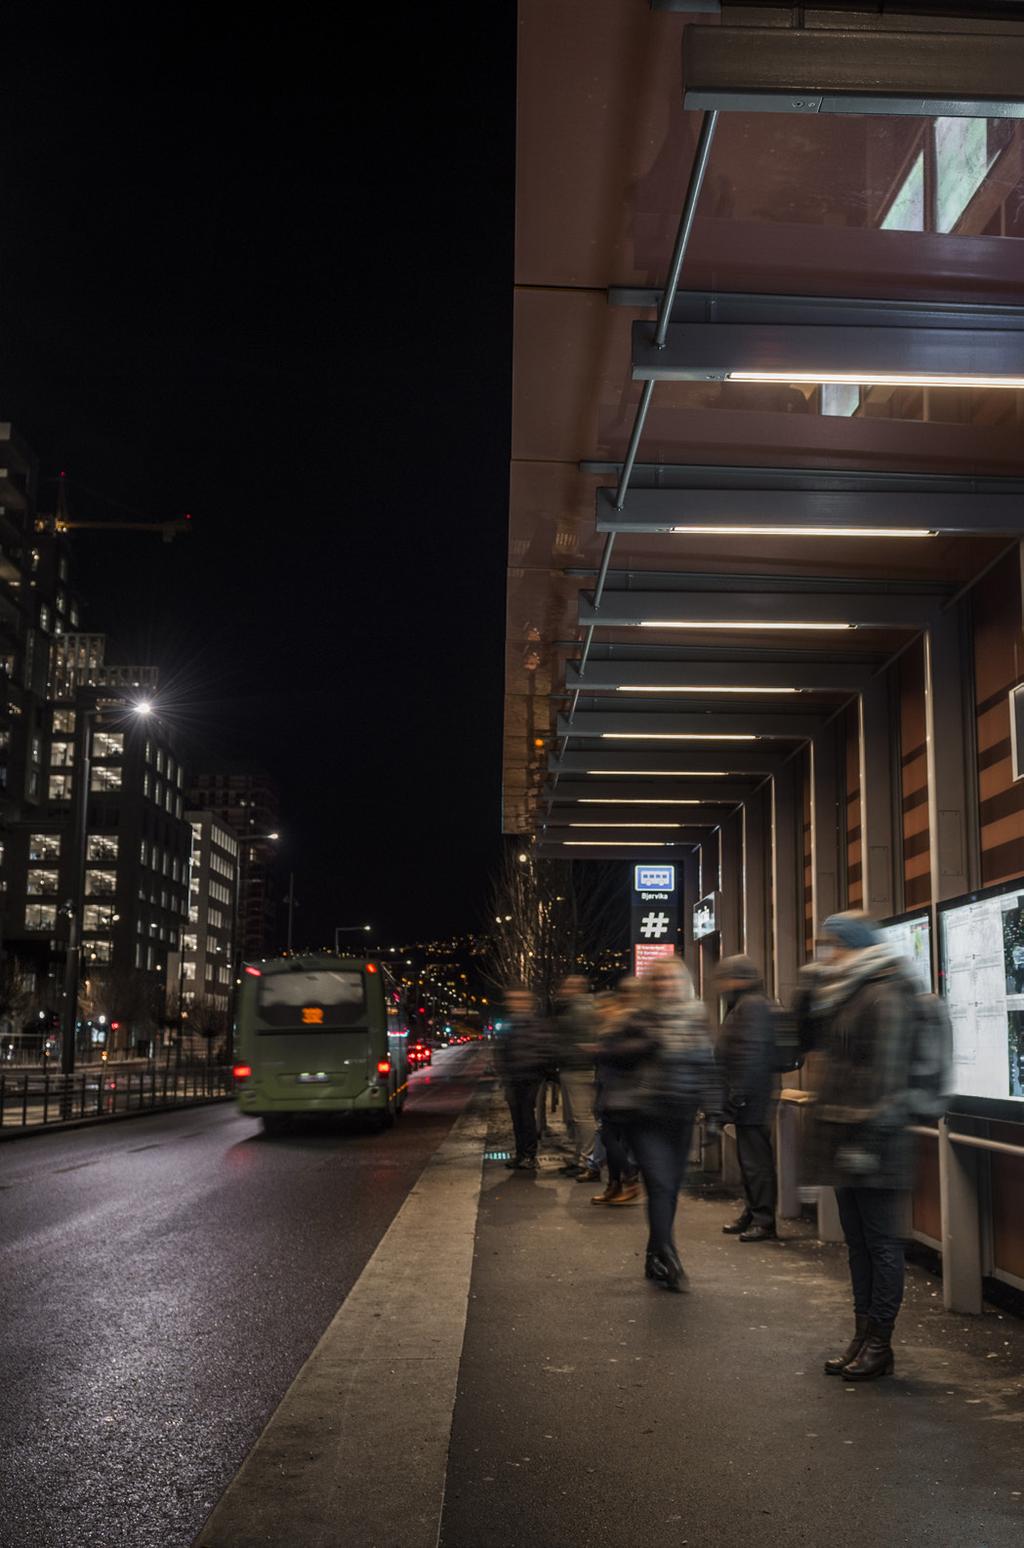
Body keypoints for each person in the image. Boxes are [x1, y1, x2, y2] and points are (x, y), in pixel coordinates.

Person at [803, 910, 922, 1381]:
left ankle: (880, 1343)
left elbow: (888, 1079)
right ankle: (861, 1336)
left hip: (878, 1143)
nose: (827, 954)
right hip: (846, 1137)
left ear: (855, 945)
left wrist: (868, 1140)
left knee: (882, 1245)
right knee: (859, 1244)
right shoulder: (846, 993)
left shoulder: (886, 993)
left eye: (833, 944)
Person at [604, 958, 720, 1292]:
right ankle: (669, 1258)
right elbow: (608, 1054)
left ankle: (655, 1254)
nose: (665, 986)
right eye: (658, 981)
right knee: (660, 1185)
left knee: (669, 1188)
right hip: (645, 1115)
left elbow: (707, 1067)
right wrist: (643, 1043)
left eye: (671, 979)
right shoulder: (637, 1018)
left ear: (682, 982)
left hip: (681, 1114)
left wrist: (713, 1114)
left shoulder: (695, 1016)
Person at [715, 955, 778, 1243]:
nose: (722, 983)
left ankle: (764, 1220)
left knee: (756, 1162)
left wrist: (738, 1096)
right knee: (750, 1160)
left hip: (751, 1097)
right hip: (747, 1095)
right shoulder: (745, 1003)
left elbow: (752, 1053)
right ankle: (753, 1212)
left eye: (728, 976)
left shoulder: (751, 1005)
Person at [590, 978, 644, 1205]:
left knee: (611, 1138)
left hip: (620, 1092)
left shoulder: (626, 1021)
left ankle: (629, 1180)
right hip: (614, 1089)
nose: (601, 1012)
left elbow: (624, 1057)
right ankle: (614, 1185)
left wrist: (601, 1049)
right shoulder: (621, 1021)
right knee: (612, 1139)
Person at [494, 987, 547, 1172]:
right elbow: (501, 1049)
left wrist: (535, 1070)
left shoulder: (534, 1023)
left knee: (526, 1116)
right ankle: (521, 1153)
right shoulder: (510, 1023)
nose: (513, 1003)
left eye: (517, 999)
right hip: (514, 1077)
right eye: (511, 999)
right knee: (517, 1118)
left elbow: (542, 1050)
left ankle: (530, 1155)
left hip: (529, 1077)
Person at [552, 975, 598, 1175]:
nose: (564, 989)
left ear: (579, 989)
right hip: (575, 1068)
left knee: (582, 1117)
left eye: (569, 986)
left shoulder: (580, 1010)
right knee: (577, 1118)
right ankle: (582, 1157)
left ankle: (587, 1160)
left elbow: (578, 1042)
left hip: (579, 1069)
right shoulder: (576, 1008)